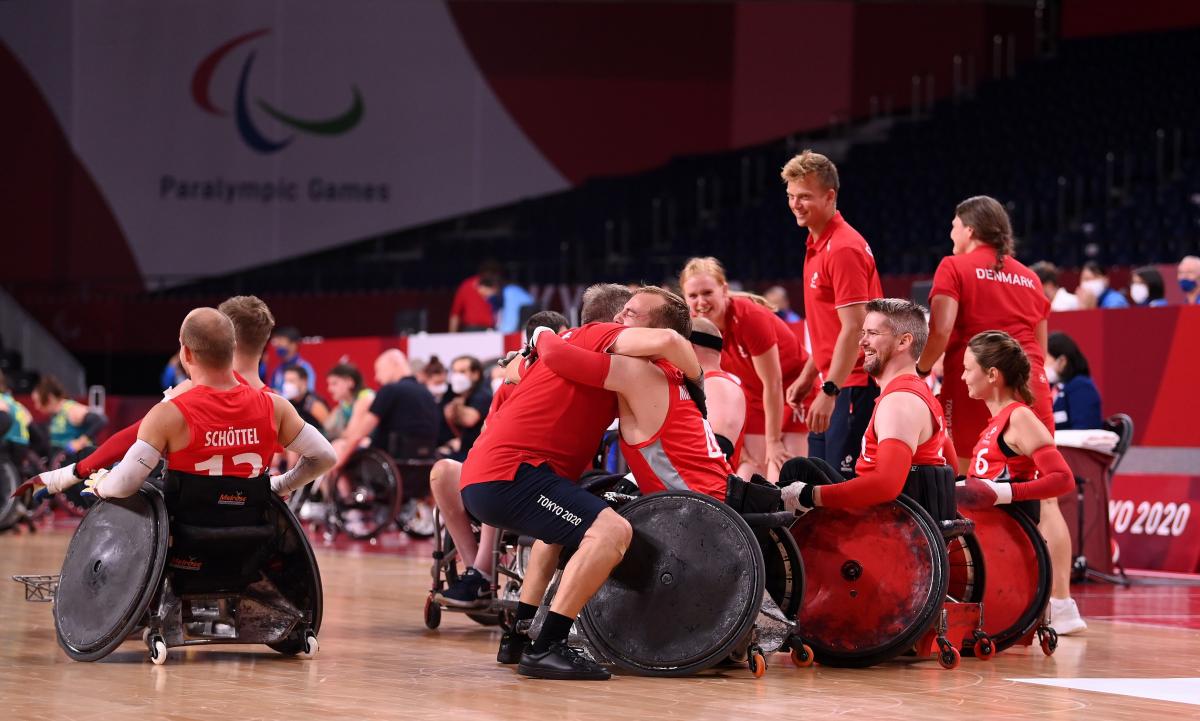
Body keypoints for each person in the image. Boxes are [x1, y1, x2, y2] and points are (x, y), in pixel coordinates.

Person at [459, 286, 707, 680]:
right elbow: (670, 339)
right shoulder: (601, 336)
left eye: (633, 314)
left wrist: (538, 348)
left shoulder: (569, 357)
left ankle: (520, 637)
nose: (624, 320)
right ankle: (547, 647)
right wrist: (698, 382)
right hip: (513, 472)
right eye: (624, 313)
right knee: (611, 532)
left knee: (558, 530)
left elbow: (511, 379)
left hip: (490, 475)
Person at [915, 195, 1076, 618]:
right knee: (1049, 499)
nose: (950, 234)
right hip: (1031, 382)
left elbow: (943, 328)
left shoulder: (954, 267)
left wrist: (920, 369)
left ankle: (985, 599)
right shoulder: (1029, 277)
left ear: (969, 228)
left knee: (968, 484)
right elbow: (1037, 350)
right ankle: (1061, 605)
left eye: (953, 225)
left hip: (975, 384)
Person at [16, 295, 281, 498]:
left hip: (191, 518)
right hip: (249, 519)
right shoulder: (275, 405)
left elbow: (132, 436)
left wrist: (67, 475)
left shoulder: (191, 392)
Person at [65, 308, 334, 503]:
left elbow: (125, 484)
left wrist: (100, 485)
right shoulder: (276, 406)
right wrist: (278, 485)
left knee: (124, 489)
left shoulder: (169, 412)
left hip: (184, 539)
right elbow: (326, 457)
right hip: (250, 534)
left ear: (186, 353)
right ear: (232, 349)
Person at [532, 286, 727, 500]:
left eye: (630, 314)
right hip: (711, 503)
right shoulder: (670, 372)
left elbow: (558, 358)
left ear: (654, 333)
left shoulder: (640, 372)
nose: (617, 317)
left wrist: (542, 334)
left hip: (702, 514)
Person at [954, 331, 1083, 634]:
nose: (962, 377)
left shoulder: (1020, 418)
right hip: (985, 537)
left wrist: (1004, 492)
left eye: (968, 369)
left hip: (1006, 541)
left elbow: (1063, 480)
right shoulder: (995, 422)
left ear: (993, 375)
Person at [780, 299, 952, 515]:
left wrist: (811, 495)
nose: (862, 342)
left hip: (882, 528)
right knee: (800, 469)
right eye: (863, 333)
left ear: (903, 342)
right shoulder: (922, 395)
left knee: (794, 480)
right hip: (896, 519)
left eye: (872, 333)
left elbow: (885, 485)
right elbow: (948, 467)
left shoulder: (899, 403)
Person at [780, 150, 883, 478]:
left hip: (851, 386)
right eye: (791, 196)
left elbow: (854, 329)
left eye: (805, 197)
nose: (796, 204)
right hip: (836, 384)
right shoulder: (817, 245)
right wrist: (810, 375)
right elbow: (832, 330)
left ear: (830, 196)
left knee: (843, 491)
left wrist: (829, 391)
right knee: (819, 487)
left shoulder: (842, 249)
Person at [679, 257, 807, 480]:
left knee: (785, 475)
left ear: (724, 290)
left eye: (707, 292)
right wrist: (739, 444)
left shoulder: (749, 317)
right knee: (748, 472)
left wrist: (773, 441)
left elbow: (773, 382)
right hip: (754, 396)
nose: (701, 302)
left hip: (793, 388)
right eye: (693, 296)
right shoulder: (692, 326)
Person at [334, 350, 440, 469]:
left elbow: (358, 434)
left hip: (389, 460)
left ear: (394, 363)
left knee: (340, 446)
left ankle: (339, 487)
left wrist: (338, 465)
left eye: (378, 370)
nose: (376, 377)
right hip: (426, 460)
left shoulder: (390, 390)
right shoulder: (427, 393)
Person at [688, 317, 747, 468]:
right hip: (687, 484)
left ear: (688, 346)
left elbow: (719, 448)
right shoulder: (706, 384)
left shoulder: (718, 385)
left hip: (702, 488)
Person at [31, 376, 106, 454]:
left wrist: (80, 442)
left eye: (38, 401)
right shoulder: (54, 415)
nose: (37, 407)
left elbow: (100, 420)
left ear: (50, 398)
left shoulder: (70, 409)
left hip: (78, 460)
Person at [1046, 332, 1103, 430]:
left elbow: (1084, 429)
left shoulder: (1081, 387)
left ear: (1062, 361)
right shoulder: (1052, 387)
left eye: (1044, 360)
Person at [441, 355, 492, 461]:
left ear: (475, 374)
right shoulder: (457, 394)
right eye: (455, 372)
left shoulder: (483, 394)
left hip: (480, 455)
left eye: (462, 371)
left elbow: (469, 420)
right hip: (466, 450)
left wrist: (455, 407)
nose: (457, 376)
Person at [323, 363, 375, 441]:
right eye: (329, 384)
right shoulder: (344, 404)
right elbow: (326, 429)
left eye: (334, 383)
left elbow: (351, 433)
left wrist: (339, 434)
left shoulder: (365, 397)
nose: (329, 389)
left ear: (350, 382)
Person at [448, 262, 501, 332]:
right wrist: (452, 337)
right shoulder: (467, 286)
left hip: (491, 330)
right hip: (472, 330)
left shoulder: (497, 287)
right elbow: (455, 313)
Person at [269, 326, 316, 392]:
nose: (277, 345)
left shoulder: (304, 367)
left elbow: (309, 392)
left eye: (281, 341)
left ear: (293, 344)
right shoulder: (277, 369)